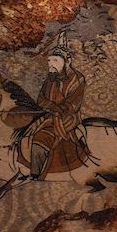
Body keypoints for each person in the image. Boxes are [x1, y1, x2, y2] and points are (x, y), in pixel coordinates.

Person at [30, 33, 89, 180]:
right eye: (49, 61)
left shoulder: (77, 79)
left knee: (39, 139)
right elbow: (41, 99)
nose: (51, 64)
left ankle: (35, 175)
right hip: (49, 115)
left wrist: (54, 107)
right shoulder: (51, 77)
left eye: (55, 60)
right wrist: (51, 107)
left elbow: (72, 105)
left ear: (67, 61)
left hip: (67, 118)